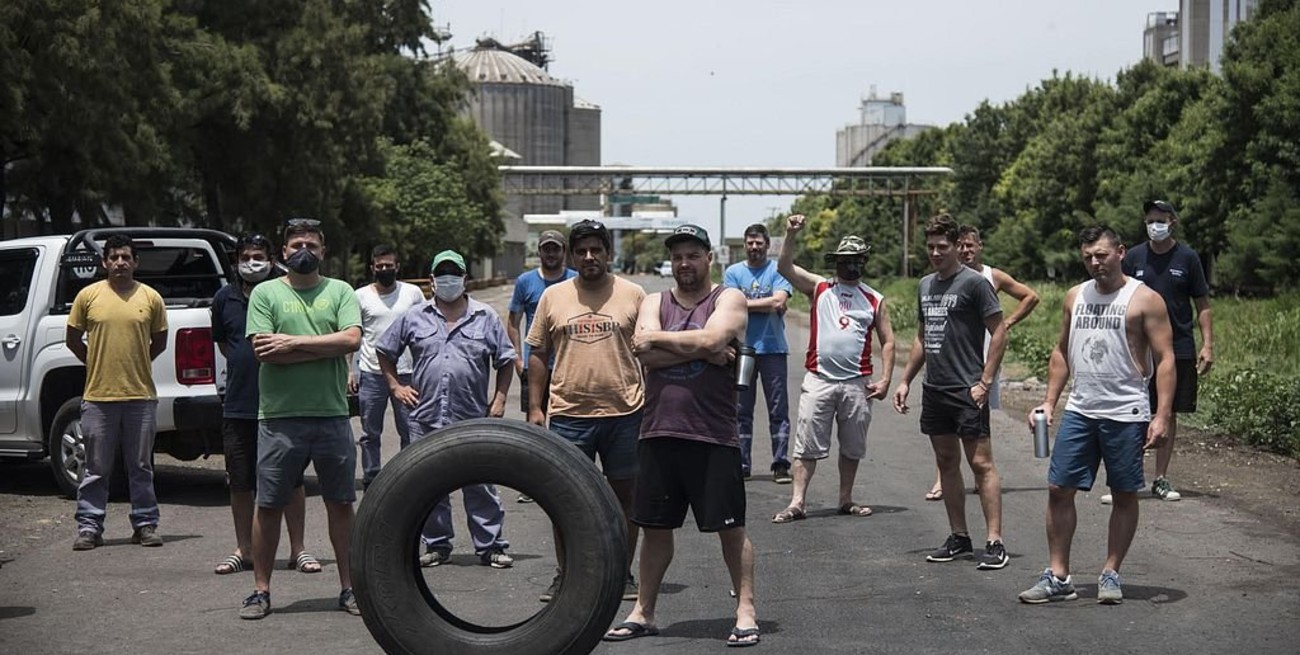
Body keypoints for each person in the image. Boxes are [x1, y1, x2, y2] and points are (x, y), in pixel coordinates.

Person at [602, 224, 759, 647]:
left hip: (713, 434)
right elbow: (645, 354)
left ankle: (745, 610)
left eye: (692, 255)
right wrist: (705, 353)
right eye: (677, 257)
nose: (684, 263)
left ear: (709, 258)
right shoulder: (655, 301)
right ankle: (644, 611)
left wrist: (661, 340)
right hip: (658, 431)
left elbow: (710, 336)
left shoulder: (728, 298)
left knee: (731, 529)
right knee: (655, 529)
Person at [1018, 225, 1174, 605]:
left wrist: (1162, 415)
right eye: (1088, 256)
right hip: (1081, 408)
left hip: (1126, 411)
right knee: (1059, 488)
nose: (1094, 262)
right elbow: (1062, 351)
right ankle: (1059, 576)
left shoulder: (1145, 299)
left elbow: (1166, 359)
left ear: (1120, 252)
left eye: (1101, 255)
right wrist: (1049, 402)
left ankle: (1111, 572)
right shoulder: (1075, 296)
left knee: (1123, 493)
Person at [238, 218, 362, 620]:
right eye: (296, 245)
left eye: (311, 245)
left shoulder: (340, 291)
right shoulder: (266, 293)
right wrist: (324, 347)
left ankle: (351, 588)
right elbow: (263, 352)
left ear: (323, 251)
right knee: (269, 505)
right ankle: (260, 591)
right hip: (279, 418)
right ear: (283, 252)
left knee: (340, 503)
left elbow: (351, 339)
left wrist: (292, 343)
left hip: (332, 416)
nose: (303, 251)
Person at [526, 219, 646, 602]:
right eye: (581, 251)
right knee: (565, 501)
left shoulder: (634, 294)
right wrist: (534, 407)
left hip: (625, 413)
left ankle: (622, 573)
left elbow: (649, 351)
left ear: (609, 253)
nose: (589, 257)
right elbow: (538, 353)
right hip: (568, 415)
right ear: (572, 257)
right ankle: (568, 575)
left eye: (596, 250)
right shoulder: (553, 297)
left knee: (626, 500)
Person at [377, 250, 516, 569]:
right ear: (431, 280)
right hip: (425, 417)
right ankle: (437, 545)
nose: (448, 279)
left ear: (465, 279)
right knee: (429, 485)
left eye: (454, 273)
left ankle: (491, 546)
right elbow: (384, 350)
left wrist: (499, 399)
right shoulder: (415, 316)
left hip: (472, 417)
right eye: (442, 273)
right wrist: (396, 386)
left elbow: (506, 359)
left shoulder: (485, 316)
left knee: (480, 483)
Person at [892, 213, 1010, 570]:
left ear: (958, 246)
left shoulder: (974, 283)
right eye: (930, 246)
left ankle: (995, 541)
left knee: (981, 464)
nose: (935, 253)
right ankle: (960, 536)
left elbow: (1000, 331)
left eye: (942, 246)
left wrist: (985, 381)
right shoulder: (925, 285)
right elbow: (922, 336)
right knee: (946, 462)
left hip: (967, 388)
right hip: (935, 388)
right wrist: (905, 380)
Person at [771, 215, 895, 525]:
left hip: (857, 383)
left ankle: (845, 498)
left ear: (863, 262)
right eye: (845, 260)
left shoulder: (874, 299)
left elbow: (889, 341)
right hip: (820, 379)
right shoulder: (820, 287)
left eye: (856, 260)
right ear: (836, 262)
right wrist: (790, 234)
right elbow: (784, 268)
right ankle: (797, 502)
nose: (851, 266)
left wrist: (885, 380)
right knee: (806, 444)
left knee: (852, 446)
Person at [210, 234, 317, 575]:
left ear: (273, 260)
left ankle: (298, 549)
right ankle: (244, 550)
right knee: (240, 481)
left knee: (292, 480)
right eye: (246, 257)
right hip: (239, 405)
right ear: (236, 260)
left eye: (258, 256)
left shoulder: (283, 293)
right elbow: (226, 345)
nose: (252, 262)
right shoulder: (223, 298)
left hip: (281, 404)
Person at [1100, 200, 1213, 504]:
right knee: (1133, 408)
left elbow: (1202, 304)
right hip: (1138, 347)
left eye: (1160, 220)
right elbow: (1116, 296)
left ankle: (1160, 478)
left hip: (1177, 346)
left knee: (1168, 410)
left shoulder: (1188, 258)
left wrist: (1208, 344)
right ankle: (1127, 479)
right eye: (1150, 220)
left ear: (1172, 222)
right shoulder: (1134, 257)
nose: (1155, 225)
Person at [922, 225, 1041, 501]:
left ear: (980, 247)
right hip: (950, 361)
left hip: (983, 360)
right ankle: (942, 478)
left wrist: (1007, 323)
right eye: (961, 245)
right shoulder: (942, 278)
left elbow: (1030, 296)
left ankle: (981, 474)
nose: (966, 250)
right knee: (945, 427)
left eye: (970, 246)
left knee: (976, 422)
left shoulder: (990, 276)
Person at [67, 233, 168, 551]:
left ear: (136, 262)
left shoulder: (151, 297)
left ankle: (145, 524)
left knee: (141, 466)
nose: (120, 262)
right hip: (98, 397)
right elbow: (73, 339)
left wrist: (137, 363)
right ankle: (89, 527)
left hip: (140, 397)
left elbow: (159, 341)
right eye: (114, 257)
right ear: (104, 262)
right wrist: (95, 362)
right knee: (96, 468)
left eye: (126, 257)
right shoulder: (88, 296)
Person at [506, 230, 577, 502]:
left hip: (567, 364)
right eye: (546, 249)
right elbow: (513, 321)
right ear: (539, 252)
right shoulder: (526, 281)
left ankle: (566, 479)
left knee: (567, 421)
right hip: (534, 364)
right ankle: (533, 484)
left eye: (555, 248)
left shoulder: (574, 279)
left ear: (563, 252)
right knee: (535, 422)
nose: (551, 253)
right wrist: (517, 357)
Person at [350, 245, 425, 489]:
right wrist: (350, 370)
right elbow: (353, 334)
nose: (384, 269)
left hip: (406, 374)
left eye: (389, 265)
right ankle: (371, 477)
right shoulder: (360, 296)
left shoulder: (413, 293)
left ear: (397, 267)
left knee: (409, 430)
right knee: (370, 432)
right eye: (380, 266)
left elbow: (425, 329)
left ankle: (407, 476)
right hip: (371, 373)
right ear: (372, 268)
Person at [723, 222, 794, 483]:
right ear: (745, 245)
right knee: (741, 410)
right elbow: (730, 307)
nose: (755, 247)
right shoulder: (733, 272)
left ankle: (780, 463)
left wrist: (744, 303)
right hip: (743, 350)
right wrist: (766, 303)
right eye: (750, 243)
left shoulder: (778, 270)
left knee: (778, 409)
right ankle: (742, 464)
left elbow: (779, 300)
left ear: (767, 245)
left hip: (774, 349)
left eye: (759, 243)